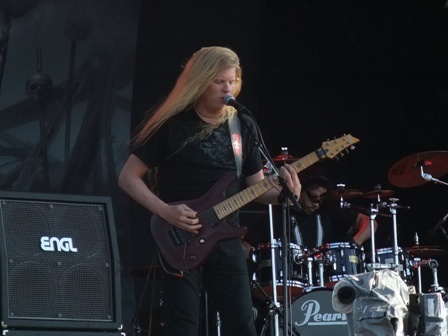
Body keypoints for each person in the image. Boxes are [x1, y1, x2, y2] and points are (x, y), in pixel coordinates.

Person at [118, 46, 301, 336]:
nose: (227, 88)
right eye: (219, 81)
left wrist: (285, 192)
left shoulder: (241, 124)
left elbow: (255, 189)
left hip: (226, 241)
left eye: (232, 81)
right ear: (200, 82)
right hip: (180, 236)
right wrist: (167, 211)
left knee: (242, 325)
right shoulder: (173, 124)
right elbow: (128, 178)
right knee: (184, 327)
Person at [243, 169, 377, 288]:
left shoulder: (328, 211)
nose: (317, 204)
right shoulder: (277, 214)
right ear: (300, 190)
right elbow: (247, 247)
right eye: (313, 197)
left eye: (321, 199)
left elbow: (370, 222)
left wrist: (355, 242)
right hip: (291, 281)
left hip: (326, 280)